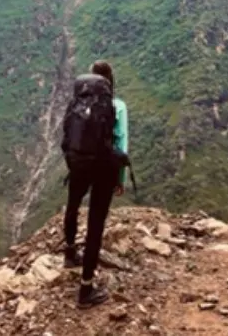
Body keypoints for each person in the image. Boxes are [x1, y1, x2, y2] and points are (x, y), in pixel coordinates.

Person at [62, 60, 129, 309]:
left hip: (78, 164)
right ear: (111, 81)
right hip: (104, 169)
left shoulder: (77, 103)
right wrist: (119, 179)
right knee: (95, 225)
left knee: (73, 205)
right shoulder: (117, 106)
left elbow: (68, 135)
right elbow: (121, 144)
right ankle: (86, 288)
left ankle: (69, 254)